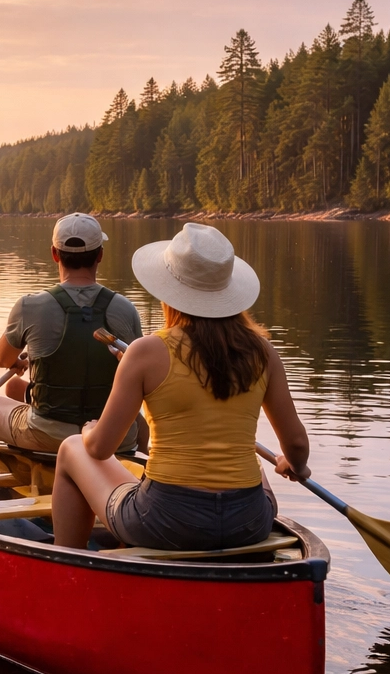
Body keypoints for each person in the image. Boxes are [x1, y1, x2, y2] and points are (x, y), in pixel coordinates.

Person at [50, 223, 312, 551]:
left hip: (165, 520)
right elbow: (297, 444)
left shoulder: (145, 352)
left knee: (72, 448)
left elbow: (101, 449)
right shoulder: (263, 352)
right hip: (248, 522)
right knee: (253, 463)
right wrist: (295, 464)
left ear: (169, 291)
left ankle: (70, 568)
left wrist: (90, 430)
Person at [0, 212, 143, 455]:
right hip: (113, 439)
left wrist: (15, 361)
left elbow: (1, 359)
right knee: (15, 389)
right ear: (100, 255)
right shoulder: (126, 308)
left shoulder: (29, 306)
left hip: (47, 437)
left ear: (54, 254)